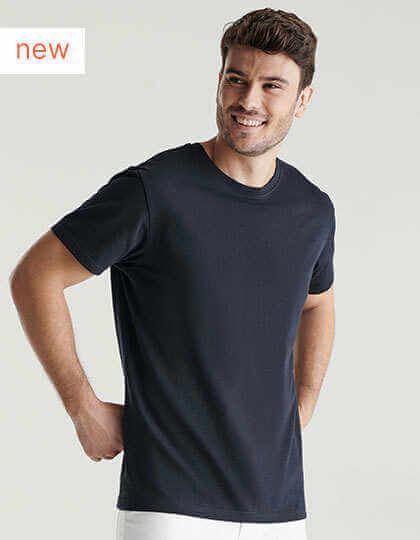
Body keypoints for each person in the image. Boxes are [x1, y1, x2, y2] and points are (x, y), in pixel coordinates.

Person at [10, 8, 336, 540]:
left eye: (271, 86)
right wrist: (82, 408)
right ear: (220, 80)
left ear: (302, 100)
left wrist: (305, 400)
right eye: (236, 78)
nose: (248, 100)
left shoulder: (312, 210)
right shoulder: (155, 191)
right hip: (169, 507)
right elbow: (35, 276)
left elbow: (317, 301)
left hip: (279, 510)